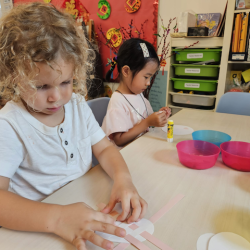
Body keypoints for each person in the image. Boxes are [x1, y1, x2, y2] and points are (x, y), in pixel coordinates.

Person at [0, 3, 147, 250]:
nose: (56, 97)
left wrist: (123, 179)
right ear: (13, 76)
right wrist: (57, 219)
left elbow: (105, 150)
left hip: (84, 208)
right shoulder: (10, 125)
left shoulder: (77, 106)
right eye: (41, 86)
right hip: (39, 230)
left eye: (66, 82)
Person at [102, 38, 171, 147]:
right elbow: (119, 140)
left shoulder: (138, 94)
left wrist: (159, 116)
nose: (148, 83)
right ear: (126, 71)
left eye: (150, 77)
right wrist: (147, 122)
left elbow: (146, 118)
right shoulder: (117, 101)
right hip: (124, 156)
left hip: (139, 148)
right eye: (146, 77)